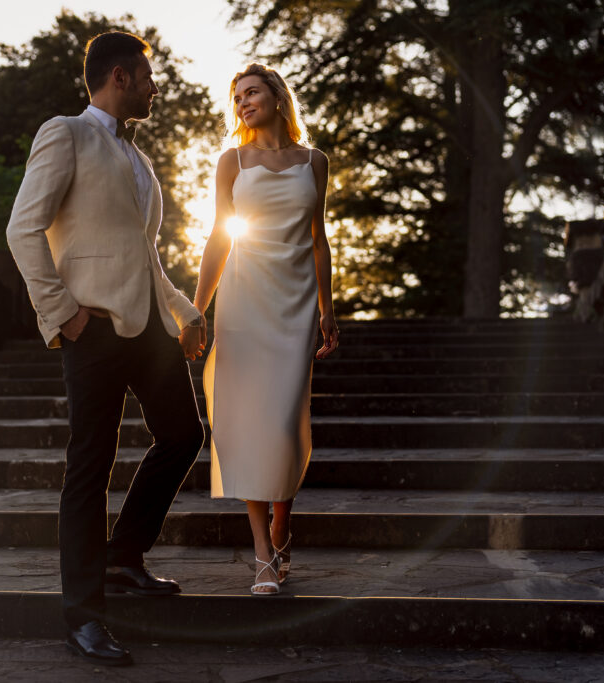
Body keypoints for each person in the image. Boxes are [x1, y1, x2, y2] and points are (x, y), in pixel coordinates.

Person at [5, 31, 206, 667]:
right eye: (147, 77)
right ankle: (83, 619)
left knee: (183, 435)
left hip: (147, 327)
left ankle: (124, 555)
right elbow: (21, 227)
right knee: (89, 469)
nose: (154, 87)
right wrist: (62, 313)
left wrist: (186, 311)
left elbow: (143, 255)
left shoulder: (140, 161)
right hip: (89, 329)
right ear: (119, 77)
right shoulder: (64, 132)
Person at [192, 63, 339, 596]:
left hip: (296, 302)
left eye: (251, 92)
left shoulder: (314, 161)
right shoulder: (232, 160)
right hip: (244, 300)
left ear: (278, 96)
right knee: (251, 423)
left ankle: (283, 521)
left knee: (282, 421)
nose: (243, 103)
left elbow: (319, 238)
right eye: (236, 97)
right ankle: (263, 552)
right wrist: (197, 308)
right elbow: (218, 237)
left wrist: (328, 307)